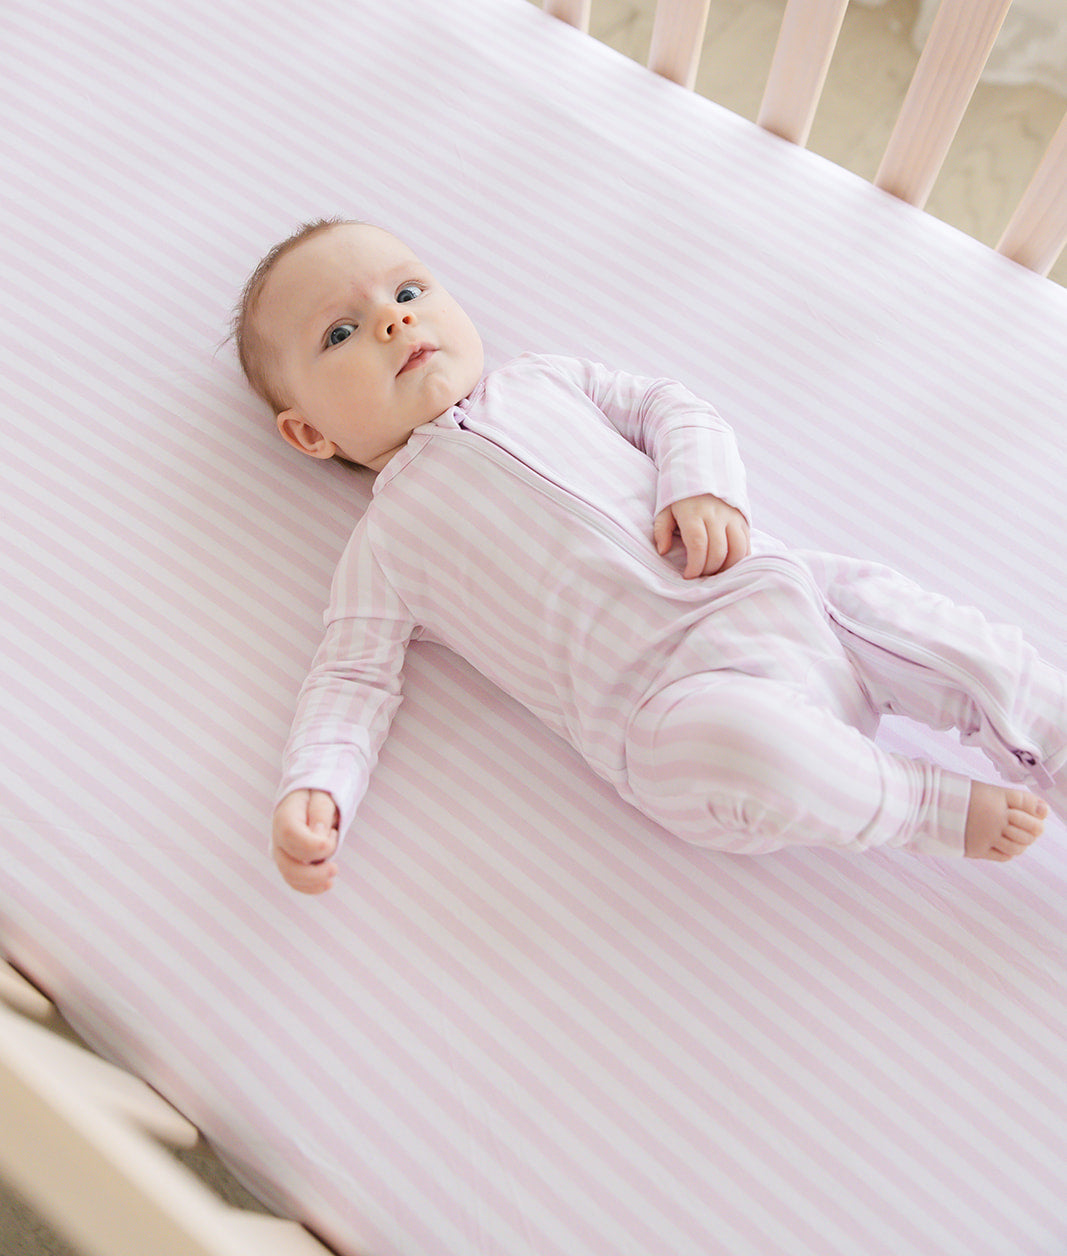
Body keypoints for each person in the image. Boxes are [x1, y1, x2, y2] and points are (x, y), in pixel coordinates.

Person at [234, 218, 1063, 894]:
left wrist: (701, 485)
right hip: (680, 714)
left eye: (409, 291)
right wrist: (317, 786)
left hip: (782, 596)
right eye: (340, 332)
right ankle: (914, 804)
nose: (393, 321)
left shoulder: (544, 380)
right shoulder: (385, 545)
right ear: (310, 434)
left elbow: (671, 405)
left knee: (912, 619)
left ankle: (1052, 740)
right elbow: (351, 681)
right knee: (742, 745)